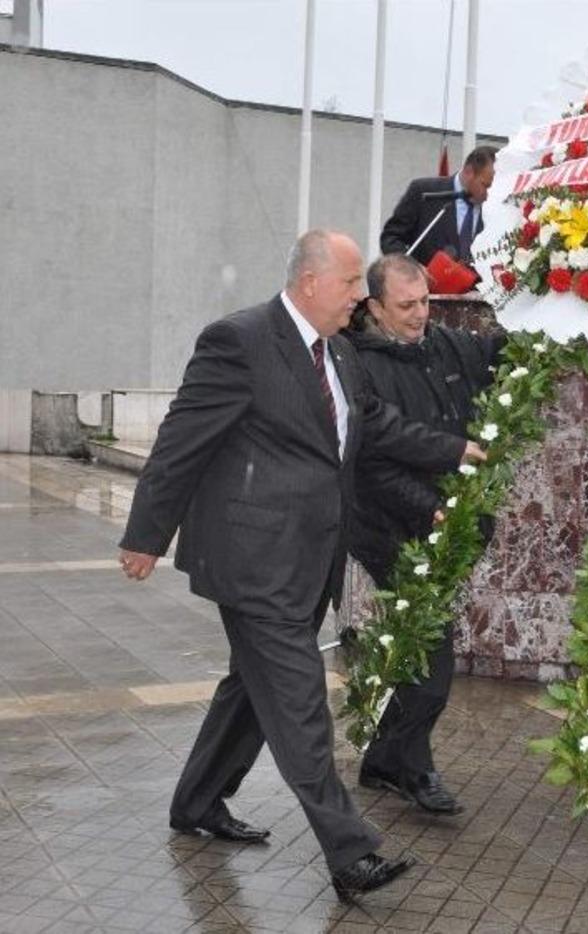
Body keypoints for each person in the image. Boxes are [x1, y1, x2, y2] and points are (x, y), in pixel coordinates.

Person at [117, 230, 485, 902]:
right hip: (254, 558)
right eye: (351, 285)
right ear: (312, 281)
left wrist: (457, 449)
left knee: (250, 690)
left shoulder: (340, 352)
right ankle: (351, 854)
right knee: (298, 703)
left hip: (312, 556)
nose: (358, 298)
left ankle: (197, 802)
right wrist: (146, 533)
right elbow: (181, 439)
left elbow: (377, 426)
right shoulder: (240, 341)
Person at [344, 253, 504, 815]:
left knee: (419, 638)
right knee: (431, 659)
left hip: (447, 523)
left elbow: (503, 354)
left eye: (425, 302)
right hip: (392, 526)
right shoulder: (359, 364)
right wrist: (430, 509)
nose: (419, 316)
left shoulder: (446, 345)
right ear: (375, 307)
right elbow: (371, 459)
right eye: (406, 306)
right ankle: (414, 770)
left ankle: (384, 760)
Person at [379, 145, 497, 266]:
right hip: (424, 282)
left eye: (497, 188)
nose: (490, 194)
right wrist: (413, 269)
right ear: (468, 171)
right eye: (486, 186)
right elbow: (391, 238)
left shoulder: (497, 210)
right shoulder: (424, 192)